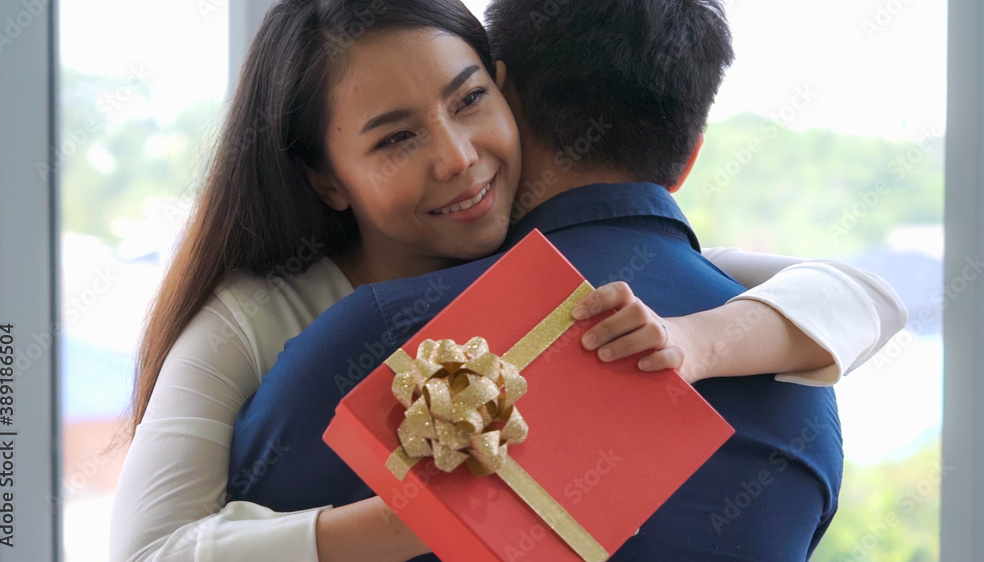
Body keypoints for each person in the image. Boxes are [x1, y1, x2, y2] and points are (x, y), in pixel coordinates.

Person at [109, 0, 905, 560]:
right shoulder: (255, 319)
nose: (456, 156)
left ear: (507, 91)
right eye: (395, 139)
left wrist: (693, 341)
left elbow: (855, 294)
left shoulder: (597, 286)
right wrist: (445, 507)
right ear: (326, 179)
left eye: (469, 99)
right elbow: (145, 551)